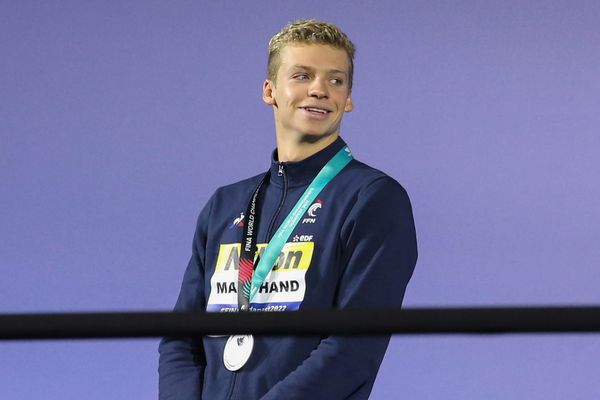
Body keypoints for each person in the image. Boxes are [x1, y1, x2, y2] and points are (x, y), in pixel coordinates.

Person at [158, 19, 417, 399]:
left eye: (336, 80)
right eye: (302, 75)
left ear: (348, 99)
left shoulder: (373, 199)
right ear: (270, 90)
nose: (319, 90)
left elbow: (353, 351)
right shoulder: (225, 205)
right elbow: (181, 342)